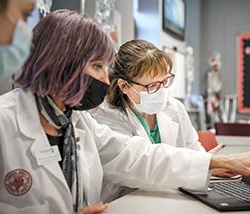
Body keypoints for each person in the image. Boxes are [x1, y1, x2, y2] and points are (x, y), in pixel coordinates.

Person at [0, 10, 250, 214]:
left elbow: (138, 156)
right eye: (97, 66)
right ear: (61, 63)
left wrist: (216, 161)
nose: (104, 79)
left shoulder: (77, 121)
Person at [90, 39, 231, 202]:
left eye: (165, 81)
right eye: (151, 85)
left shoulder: (174, 108)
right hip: (125, 202)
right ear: (124, 86)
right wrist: (203, 164)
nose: (161, 91)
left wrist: (208, 165)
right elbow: (139, 167)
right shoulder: (106, 115)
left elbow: (193, 149)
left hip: (172, 199)